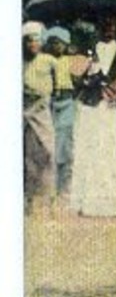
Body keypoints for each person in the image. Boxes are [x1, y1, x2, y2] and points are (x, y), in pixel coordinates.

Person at [72, 14, 116, 217]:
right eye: (105, 24)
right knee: (93, 151)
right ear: (98, 26)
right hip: (93, 107)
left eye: (112, 24)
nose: (108, 28)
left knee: (115, 152)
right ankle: (91, 204)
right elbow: (75, 77)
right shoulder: (88, 49)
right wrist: (88, 66)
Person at [23, 22, 57, 212]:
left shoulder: (50, 61)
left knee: (49, 152)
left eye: (36, 40)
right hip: (26, 112)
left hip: (43, 112)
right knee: (30, 157)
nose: (33, 44)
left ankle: (50, 197)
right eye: (29, 41)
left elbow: (59, 85)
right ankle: (30, 199)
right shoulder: (19, 62)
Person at [44, 28, 79, 199]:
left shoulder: (71, 60)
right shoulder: (46, 60)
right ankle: (50, 185)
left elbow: (80, 79)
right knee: (51, 143)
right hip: (51, 103)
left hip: (67, 102)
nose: (57, 46)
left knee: (66, 144)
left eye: (60, 42)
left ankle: (65, 186)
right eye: (53, 42)